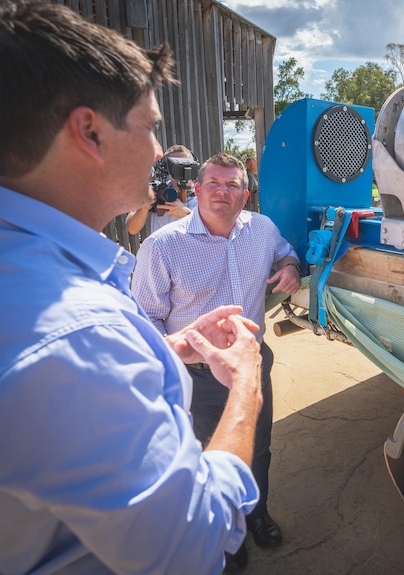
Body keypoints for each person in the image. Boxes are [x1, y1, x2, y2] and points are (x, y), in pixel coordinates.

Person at [0, 2, 265, 574]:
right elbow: (191, 547)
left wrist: (158, 349)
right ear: (89, 131)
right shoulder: (81, 337)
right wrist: (245, 387)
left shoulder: (25, 272)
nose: (158, 153)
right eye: (150, 127)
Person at [131, 152, 301, 572]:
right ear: (198, 189)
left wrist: (291, 267)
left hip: (252, 365)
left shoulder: (261, 229)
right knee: (208, 455)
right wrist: (186, 348)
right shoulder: (162, 246)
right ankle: (226, 532)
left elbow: (285, 251)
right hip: (198, 375)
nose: (223, 191)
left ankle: (256, 514)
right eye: (214, 183)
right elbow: (145, 319)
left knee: (258, 447)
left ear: (245, 194)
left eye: (233, 185)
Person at [125, 144, 199, 235]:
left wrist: (186, 214)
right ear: (166, 169)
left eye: (186, 162)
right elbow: (132, 229)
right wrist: (144, 209)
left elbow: (217, 230)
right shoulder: (158, 191)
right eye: (175, 164)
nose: (182, 168)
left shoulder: (204, 195)